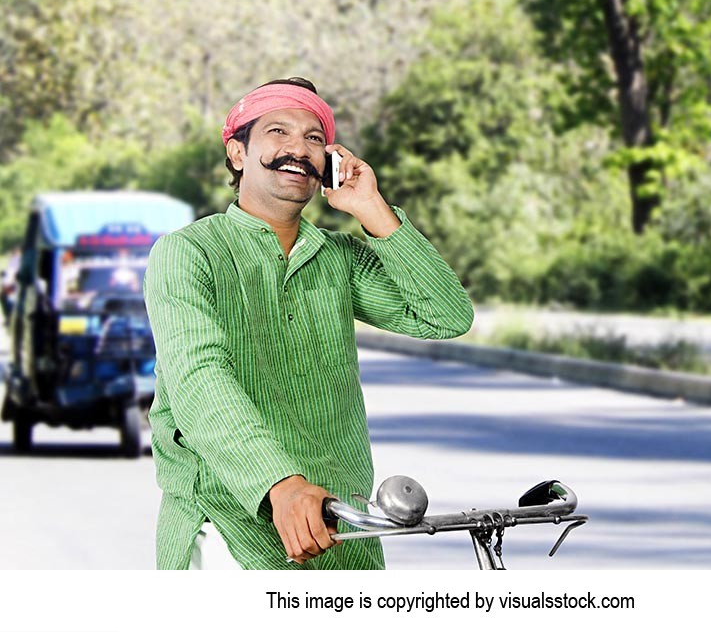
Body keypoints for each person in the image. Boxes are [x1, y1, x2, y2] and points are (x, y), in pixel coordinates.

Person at [143, 77, 473, 569]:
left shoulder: (338, 258)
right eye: (278, 132)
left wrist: (371, 209)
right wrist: (281, 484)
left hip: (342, 528)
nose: (298, 149)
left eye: (315, 139)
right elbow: (198, 380)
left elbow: (446, 315)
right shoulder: (189, 253)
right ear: (238, 153)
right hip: (228, 528)